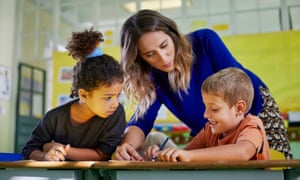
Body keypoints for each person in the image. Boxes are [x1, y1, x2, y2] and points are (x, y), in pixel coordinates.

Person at [114, 9, 292, 161]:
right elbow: (142, 120)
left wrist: (228, 138)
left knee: (276, 165)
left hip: (253, 108)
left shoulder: (205, 41)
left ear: (173, 35)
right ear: (140, 58)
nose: (164, 58)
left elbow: (237, 84)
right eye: (150, 54)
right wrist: (126, 147)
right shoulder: (151, 77)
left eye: (164, 45)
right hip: (211, 128)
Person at [22, 28, 126, 161]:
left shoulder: (116, 115)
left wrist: (63, 149)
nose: (115, 103)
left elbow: (102, 155)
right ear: (83, 95)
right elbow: (29, 149)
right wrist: (46, 155)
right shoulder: (54, 118)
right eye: (108, 98)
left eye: (118, 96)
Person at [153, 67, 270, 161]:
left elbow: (243, 152)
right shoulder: (209, 130)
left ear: (239, 108)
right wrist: (162, 155)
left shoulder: (252, 126)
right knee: (154, 138)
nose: (205, 115)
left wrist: (189, 156)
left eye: (214, 109)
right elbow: (184, 155)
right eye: (206, 107)